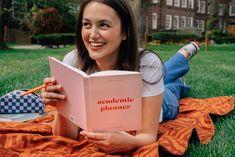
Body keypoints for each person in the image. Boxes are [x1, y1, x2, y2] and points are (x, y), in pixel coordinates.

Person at [40, 0, 200, 154]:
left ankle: (184, 55)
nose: (92, 35)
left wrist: (130, 142)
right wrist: (62, 107)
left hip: (163, 106)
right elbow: (65, 137)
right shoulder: (73, 61)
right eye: (87, 24)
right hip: (150, 81)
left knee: (171, 88)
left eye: (103, 25)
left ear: (124, 32)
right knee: (164, 74)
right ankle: (179, 64)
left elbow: (148, 136)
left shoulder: (147, 63)